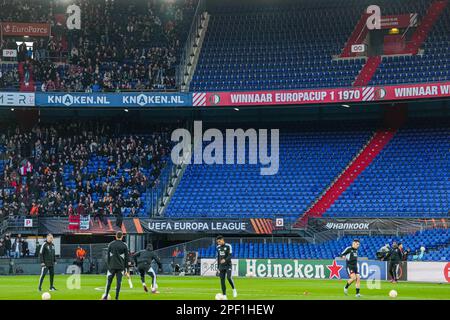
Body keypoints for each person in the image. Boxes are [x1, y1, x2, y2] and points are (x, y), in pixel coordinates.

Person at [103, 231, 130, 300]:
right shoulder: (124, 245)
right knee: (119, 282)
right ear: (122, 236)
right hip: (120, 267)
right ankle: (116, 297)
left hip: (111, 266)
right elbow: (127, 258)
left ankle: (105, 296)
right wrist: (127, 270)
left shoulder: (111, 244)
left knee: (109, 282)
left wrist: (108, 265)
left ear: (115, 236)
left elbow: (108, 256)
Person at [216, 235, 237, 299]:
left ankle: (234, 289)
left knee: (228, 278)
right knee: (222, 281)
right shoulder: (218, 247)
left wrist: (225, 260)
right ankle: (224, 296)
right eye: (217, 242)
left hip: (228, 265)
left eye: (219, 241)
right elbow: (218, 257)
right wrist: (218, 267)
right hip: (221, 266)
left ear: (222, 240)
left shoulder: (228, 246)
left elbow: (230, 256)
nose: (218, 243)